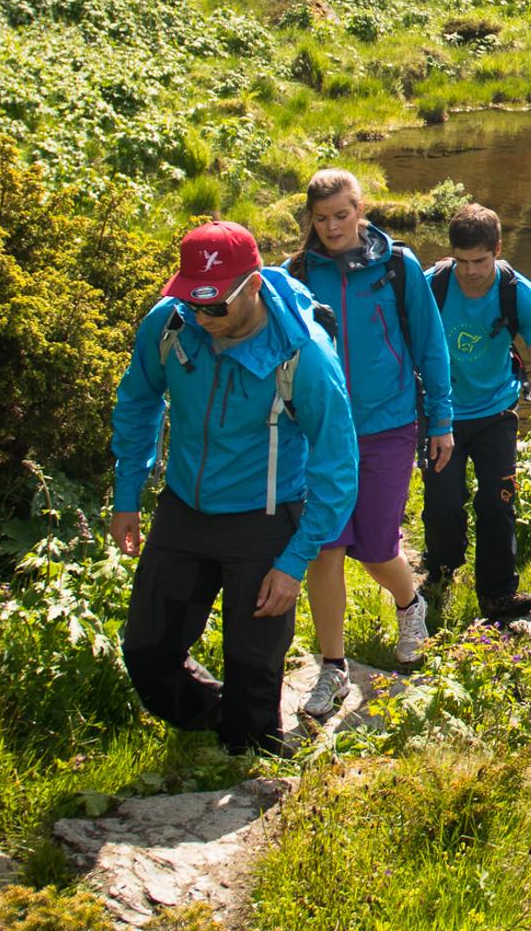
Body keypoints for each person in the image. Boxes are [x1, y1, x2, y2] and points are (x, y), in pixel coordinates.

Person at [108, 219, 359, 767]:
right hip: (184, 511)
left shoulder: (304, 356)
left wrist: (294, 562)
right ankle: (214, 717)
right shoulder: (170, 325)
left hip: (265, 521)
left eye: (214, 307)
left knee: (254, 672)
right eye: (192, 303)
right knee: (148, 655)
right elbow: (137, 402)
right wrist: (127, 493)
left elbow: (338, 466)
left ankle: (251, 760)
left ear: (251, 286)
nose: (201, 317)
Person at [287, 168, 451, 722]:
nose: (332, 226)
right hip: (323, 430)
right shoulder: (298, 274)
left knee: (378, 548)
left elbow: (430, 346)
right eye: (322, 218)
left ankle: (410, 605)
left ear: (361, 210)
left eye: (342, 214)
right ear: (310, 219)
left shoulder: (398, 268)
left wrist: (441, 420)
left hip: (388, 424)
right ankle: (332, 667)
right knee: (325, 547)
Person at [421, 201, 531, 631]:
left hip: (496, 410)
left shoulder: (519, 294)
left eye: (480, 260)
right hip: (441, 413)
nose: (470, 271)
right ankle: (441, 573)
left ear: (498, 249)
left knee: (497, 502)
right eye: (461, 261)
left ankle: (499, 592)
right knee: (443, 506)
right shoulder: (433, 286)